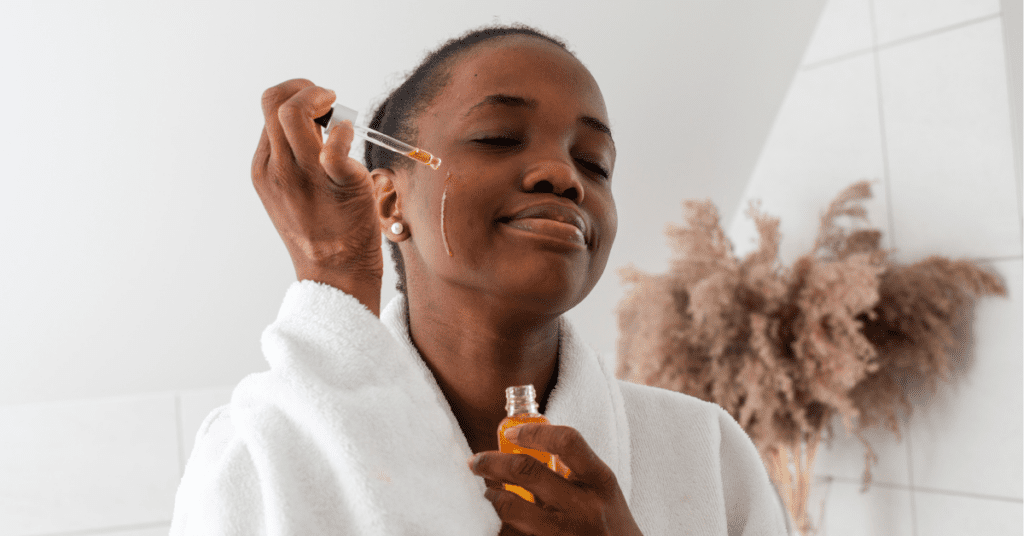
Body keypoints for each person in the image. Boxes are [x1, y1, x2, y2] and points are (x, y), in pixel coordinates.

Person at [170, 24, 791, 535]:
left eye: (594, 163)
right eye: (497, 137)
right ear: (388, 203)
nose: (563, 175)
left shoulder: (704, 453)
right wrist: (334, 269)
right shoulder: (252, 453)